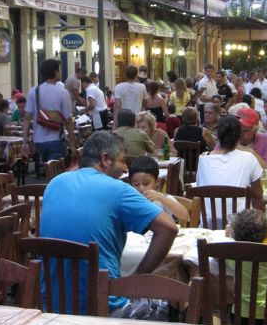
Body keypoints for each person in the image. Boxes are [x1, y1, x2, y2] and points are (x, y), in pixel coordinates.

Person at [38, 131, 178, 314]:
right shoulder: (118, 189)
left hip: (52, 305)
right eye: (121, 161)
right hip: (104, 305)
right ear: (105, 159)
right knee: (171, 307)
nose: (125, 169)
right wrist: (137, 279)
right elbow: (169, 228)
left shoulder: (55, 183)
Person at [195, 114, 263, 208]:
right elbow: (258, 194)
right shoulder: (249, 158)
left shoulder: (203, 158)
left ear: (218, 135)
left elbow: (199, 188)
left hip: (209, 220)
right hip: (240, 221)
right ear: (239, 136)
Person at [228, 207, 267, 323]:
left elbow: (216, 257)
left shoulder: (232, 255)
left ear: (234, 234)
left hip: (239, 317)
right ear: (266, 234)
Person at [22, 58, 76, 165]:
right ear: (55, 72)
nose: (61, 72)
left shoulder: (34, 91)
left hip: (38, 140)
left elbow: (27, 118)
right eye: (59, 70)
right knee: (56, 173)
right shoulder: (63, 93)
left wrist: (25, 141)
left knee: (47, 170)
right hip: (56, 139)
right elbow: (68, 121)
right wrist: (73, 145)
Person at [128, 155, 189, 224]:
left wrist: (161, 197)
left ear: (157, 182)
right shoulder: (130, 200)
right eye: (136, 184)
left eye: (146, 183)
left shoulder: (162, 199)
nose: (141, 188)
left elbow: (184, 215)